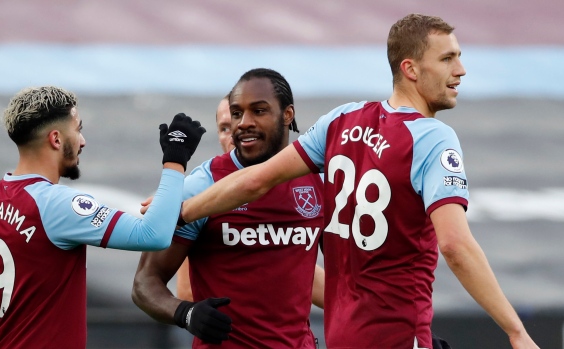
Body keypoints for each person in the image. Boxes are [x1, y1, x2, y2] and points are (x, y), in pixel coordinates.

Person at [176, 14, 539, 349]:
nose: (460, 70)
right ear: (410, 69)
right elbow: (455, 246)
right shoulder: (432, 138)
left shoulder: (341, 119)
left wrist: (181, 211)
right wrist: (515, 331)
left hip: (342, 333)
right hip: (396, 332)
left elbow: (255, 179)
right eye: (447, 59)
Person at [0, 86, 206, 349]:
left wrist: (13, 293)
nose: (82, 141)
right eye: (78, 129)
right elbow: (153, 234)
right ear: (56, 139)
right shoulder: (58, 204)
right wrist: (175, 159)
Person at [132, 68, 325, 348]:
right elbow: (144, 283)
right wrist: (185, 313)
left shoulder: (318, 180)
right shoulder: (201, 186)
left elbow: (327, 280)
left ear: (287, 115)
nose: (243, 123)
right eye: (236, 114)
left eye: (258, 111)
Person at [175, 93, 235, 302]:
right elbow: (186, 292)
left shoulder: (302, 180)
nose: (235, 136)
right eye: (225, 128)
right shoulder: (198, 187)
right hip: (224, 330)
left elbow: (305, 275)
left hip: (295, 335)